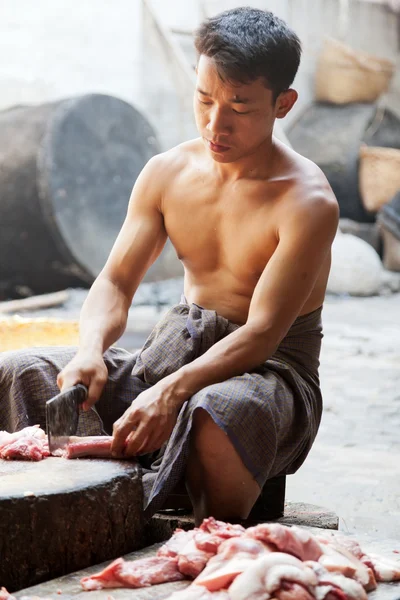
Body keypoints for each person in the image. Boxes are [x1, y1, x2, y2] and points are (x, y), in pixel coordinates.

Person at [0, 7, 338, 525]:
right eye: (204, 99)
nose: (215, 123)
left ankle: (191, 527)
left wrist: (171, 392)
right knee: (23, 371)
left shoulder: (307, 201)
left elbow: (264, 333)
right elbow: (115, 280)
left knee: (221, 411)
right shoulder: (167, 172)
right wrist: (91, 350)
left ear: (283, 104)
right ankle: (89, 503)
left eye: (240, 107)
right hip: (173, 354)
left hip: (268, 374)